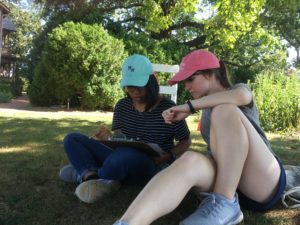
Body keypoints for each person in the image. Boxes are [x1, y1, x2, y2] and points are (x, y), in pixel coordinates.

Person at [112, 49, 286, 225]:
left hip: (263, 183)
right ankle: (127, 222)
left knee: (224, 108)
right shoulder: (208, 108)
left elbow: (242, 96)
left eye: (191, 79)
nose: (187, 86)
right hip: (231, 185)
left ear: (210, 74)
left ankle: (225, 202)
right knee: (189, 159)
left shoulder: (236, 90)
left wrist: (189, 106)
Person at [59, 54, 191, 204]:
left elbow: (186, 140)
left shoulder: (169, 108)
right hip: (119, 156)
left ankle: (85, 172)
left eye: (139, 86)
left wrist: (167, 156)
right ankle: (90, 177)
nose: (134, 91)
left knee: (122, 157)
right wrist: (108, 137)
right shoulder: (122, 105)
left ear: (151, 82)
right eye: (129, 86)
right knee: (72, 139)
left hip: (151, 163)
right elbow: (120, 136)